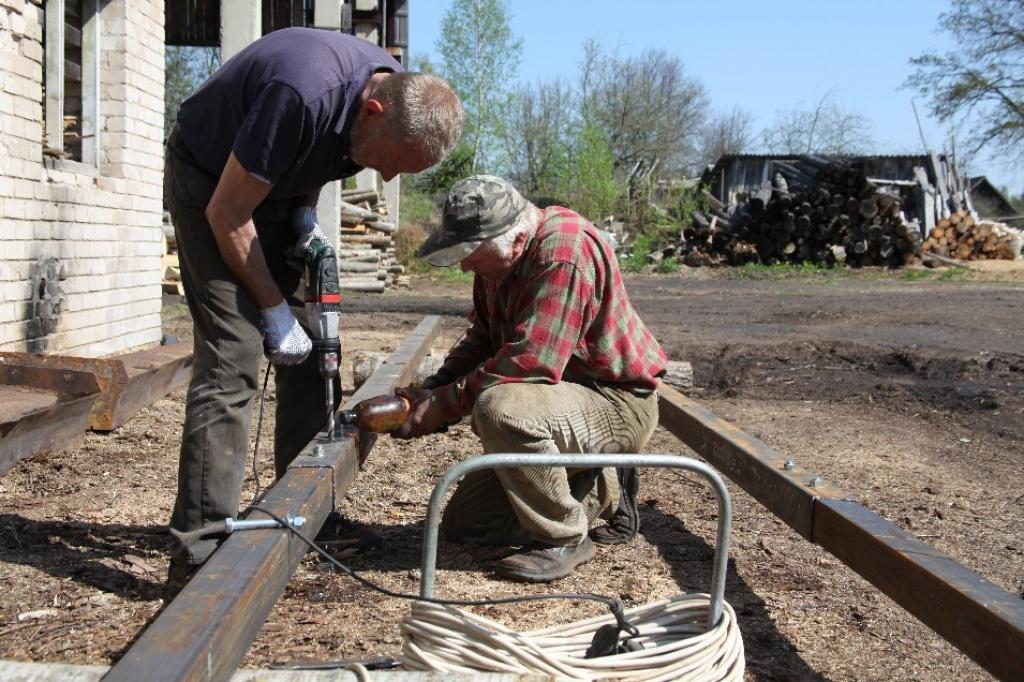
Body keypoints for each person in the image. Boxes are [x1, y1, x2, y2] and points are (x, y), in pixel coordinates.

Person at [163, 27, 463, 595]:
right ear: (372, 112)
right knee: (234, 356)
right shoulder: (301, 93)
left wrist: (302, 212)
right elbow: (228, 212)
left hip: (271, 187)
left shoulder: (383, 94)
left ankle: (304, 509)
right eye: (389, 163)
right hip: (213, 184)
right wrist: (271, 309)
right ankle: (198, 549)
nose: (387, 177)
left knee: (313, 341)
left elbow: (319, 154)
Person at [394, 175, 667, 583]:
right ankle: (605, 486)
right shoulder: (498, 262)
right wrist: (435, 388)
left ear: (517, 240)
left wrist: (444, 406)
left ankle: (565, 537)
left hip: (615, 400)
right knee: (469, 524)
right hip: (557, 400)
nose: (465, 266)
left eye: (472, 256)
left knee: (500, 409)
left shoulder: (565, 252)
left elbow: (530, 363)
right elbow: (482, 339)